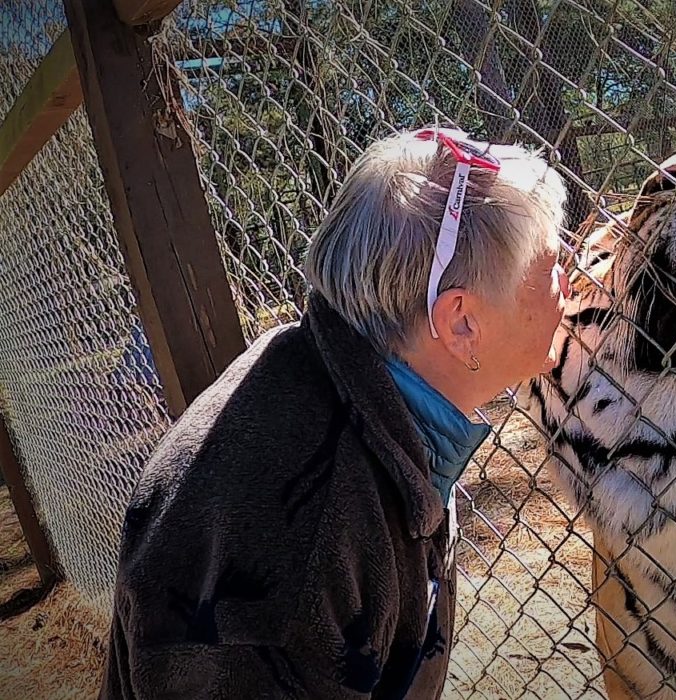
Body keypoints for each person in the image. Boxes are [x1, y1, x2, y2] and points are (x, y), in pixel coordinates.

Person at [99, 127, 570, 699]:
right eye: (549, 265)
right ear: (461, 322)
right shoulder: (296, 560)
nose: (568, 280)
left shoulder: (326, 377)